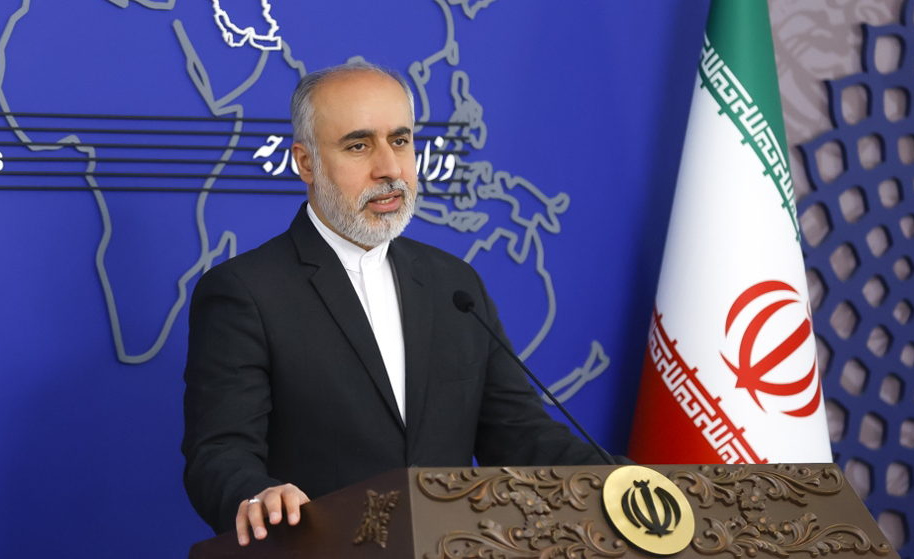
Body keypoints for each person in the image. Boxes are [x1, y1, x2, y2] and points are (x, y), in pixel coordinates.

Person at [181, 61, 617, 546]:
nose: (389, 168)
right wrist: (255, 494)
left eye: (401, 140)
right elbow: (219, 454)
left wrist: (623, 483)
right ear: (306, 163)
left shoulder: (455, 282)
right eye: (358, 145)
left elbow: (520, 434)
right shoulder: (246, 291)